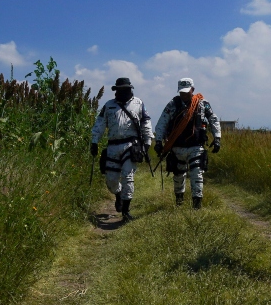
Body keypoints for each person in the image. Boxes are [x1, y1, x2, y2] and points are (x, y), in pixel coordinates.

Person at [91, 77, 154, 221]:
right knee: (111, 180)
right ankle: (118, 195)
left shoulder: (138, 104)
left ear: (130, 89)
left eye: (124, 90)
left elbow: (146, 124)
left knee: (128, 177)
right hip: (112, 146)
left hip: (131, 146)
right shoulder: (108, 105)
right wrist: (94, 142)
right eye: (119, 90)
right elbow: (100, 124)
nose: (121, 92)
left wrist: (147, 143)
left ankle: (126, 212)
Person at [153, 78, 222, 209]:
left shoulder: (202, 104)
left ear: (193, 90)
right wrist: (158, 141)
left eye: (186, 92)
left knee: (197, 175)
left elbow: (213, 119)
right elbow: (162, 122)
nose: (184, 94)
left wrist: (217, 138)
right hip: (177, 147)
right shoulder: (172, 104)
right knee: (178, 176)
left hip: (196, 146)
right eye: (181, 92)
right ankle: (179, 202)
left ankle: (197, 206)